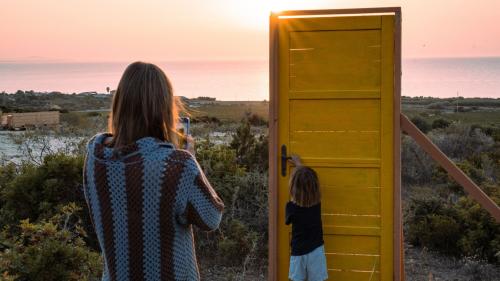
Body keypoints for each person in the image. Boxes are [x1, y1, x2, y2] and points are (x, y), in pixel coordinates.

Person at [82, 61, 224, 281]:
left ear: (120, 104)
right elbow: (211, 218)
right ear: (165, 108)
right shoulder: (177, 165)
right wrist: (191, 159)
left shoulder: (95, 156)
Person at [286, 155, 328, 281]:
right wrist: (299, 164)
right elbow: (307, 184)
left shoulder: (291, 207)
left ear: (294, 188)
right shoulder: (317, 204)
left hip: (298, 252)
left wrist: (298, 165)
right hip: (316, 250)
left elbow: (288, 221)